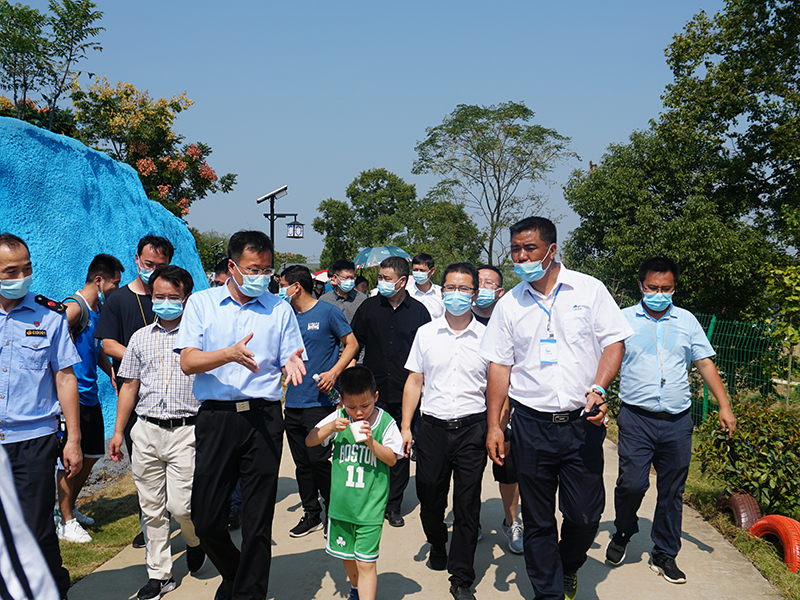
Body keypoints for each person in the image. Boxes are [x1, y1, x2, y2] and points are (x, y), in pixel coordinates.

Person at [480, 217, 633, 600]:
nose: (521, 256)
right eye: (515, 249)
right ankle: (548, 592)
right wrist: (495, 426)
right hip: (531, 425)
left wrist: (599, 388)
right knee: (538, 519)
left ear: (551, 249)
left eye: (529, 248)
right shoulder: (509, 304)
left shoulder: (589, 290)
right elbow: (499, 367)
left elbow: (614, 342)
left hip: (582, 423)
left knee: (585, 515)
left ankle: (570, 565)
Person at [176, 230, 306, 600]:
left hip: (263, 419)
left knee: (257, 519)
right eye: (252, 269)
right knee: (206, 518)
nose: (260, 277)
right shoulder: (202, 304)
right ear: (232, 267)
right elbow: (188, 361)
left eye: (266, 270)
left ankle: (249, 593)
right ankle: (234, 573)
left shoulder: (278, 309)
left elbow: (291, 354)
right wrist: (228, 354)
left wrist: (292, 362)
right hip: (216, 418)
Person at [606, 257, 736, 584]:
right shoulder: (623, 320)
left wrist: (724, 405)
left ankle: (665, 553)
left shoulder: (686, 321)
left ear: (674, 288)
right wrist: (597, 396)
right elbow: (606, 360)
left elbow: (704, 363)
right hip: (637, 418)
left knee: (672, 490)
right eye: (653, 288)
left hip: (677, 420)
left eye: (666, 288)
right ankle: (623, 531)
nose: (659, 294)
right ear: (641, 286)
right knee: (632, 484)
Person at [109, 265, 206, 600]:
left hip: (186, 432)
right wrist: (118, 431)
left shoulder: (200, 337)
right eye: (159, 296)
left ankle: (193, 540)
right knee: (151, 508)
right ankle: (160, 574)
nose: (166, 302)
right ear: (151, 297)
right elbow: (129, 386)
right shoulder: (139, 338)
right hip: (147, 430)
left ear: (187, 298)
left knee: (182, 507)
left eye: (173, 297)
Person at [0, 233, 83, 600]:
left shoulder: (49, 315)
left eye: (26, 268)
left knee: (34, 530)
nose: (21, 276)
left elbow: (64, 377)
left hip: (32, 441)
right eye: (10, 271)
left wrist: (74, 439)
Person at [401, 263, 489, 600]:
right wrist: (406, 427)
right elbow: (415, 380)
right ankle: (437, 542)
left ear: (474, 294)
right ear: (442, 291)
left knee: (467, 505)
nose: (456, 294)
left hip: (472, 429)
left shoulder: (488, 336)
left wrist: (496, 428)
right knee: (429, 498)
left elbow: (497, 388)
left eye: (464, 288)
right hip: (433, 429)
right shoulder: (426, 333)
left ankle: (461, 576)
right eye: (450, 287)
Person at [96, 234, 173, 549]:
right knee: (143, 468)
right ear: (137, 260)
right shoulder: (118, 300)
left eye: (160, 265)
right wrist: (142, 356)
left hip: (172, 398)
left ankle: (179, 517)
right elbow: (107, 343)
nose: (152, 270)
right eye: (148, 263)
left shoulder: (172, 298)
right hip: (134, 397)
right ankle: (150, 523)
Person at [305, 366, 403, 600]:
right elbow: (310, 440)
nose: (359, 412)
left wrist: (371, 442)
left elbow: (392, 459)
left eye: (365, 406)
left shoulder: (385, 422)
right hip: (342, 507)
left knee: (366, 563)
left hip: (370, 508)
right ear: (342, 400)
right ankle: (356, 589)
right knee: (347, 556)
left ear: (375, 397)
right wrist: (330, 427)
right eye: (351, 407)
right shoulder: (339, 417)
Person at [351, 256, 431, 527]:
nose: (381, 282)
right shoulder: (368, 308)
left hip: (404, 392)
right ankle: (369, 499)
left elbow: (427, 354)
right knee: (368, 445)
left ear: (402, 281)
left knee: (399, 448)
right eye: (380, 278)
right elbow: (354, 344)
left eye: (386, 278)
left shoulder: (419, 312)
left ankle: (393, 504)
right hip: (371, 393)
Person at [280, 265, 359, 537]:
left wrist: (334, 372)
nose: (280, 290)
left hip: (320, 403)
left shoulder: (328, 312)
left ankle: (334, 512)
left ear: (296, 287)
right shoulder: (285, 316)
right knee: (302, 464)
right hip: (293, 402)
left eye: (283, 285)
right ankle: (311, 514)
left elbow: (352, 344)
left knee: (319, 461)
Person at [56, 254, 123, 544]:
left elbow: (97, 350)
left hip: (91, 394)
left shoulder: (98, 311)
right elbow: (51, 342)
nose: (116, 289)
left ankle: (69, 507)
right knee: (70, 460)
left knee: (93, 454)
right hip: (73, 398)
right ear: (99, 280)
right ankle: (64, 519)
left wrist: (111, 372)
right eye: (114, 283)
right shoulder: (74, 308)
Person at [472, 265, 522, 554]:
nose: (482, 287)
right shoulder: (461, 320)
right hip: (471, 407)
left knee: (507, 467)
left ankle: (511, 521)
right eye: (478, 282)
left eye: (489, 283)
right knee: (470, 470)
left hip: (505, 407)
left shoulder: (509, 320)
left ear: (499, 291)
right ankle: (470, 519)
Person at [319, 260, 367, 325]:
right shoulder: (325, 300)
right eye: (346, 278)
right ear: (335, 278)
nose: (349, 281)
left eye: (352, 278)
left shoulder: (362, 299)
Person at [406, 253, 444, 319]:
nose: (418, 273)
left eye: (422, 270)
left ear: (432, 271)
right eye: (415, 270)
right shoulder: (407, 293)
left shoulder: (441, 293)